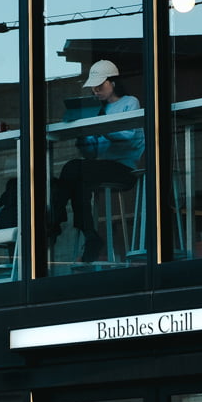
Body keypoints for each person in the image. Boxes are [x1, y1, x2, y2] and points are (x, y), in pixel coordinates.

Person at [49, 60, 145, 263]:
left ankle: (54, 222)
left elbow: (128, 135)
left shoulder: (130, 102)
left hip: (124, 167)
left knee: (73, 170)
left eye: (100, 86)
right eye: (93, 88)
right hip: (100, 167)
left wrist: (101, 128)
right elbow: (91, 154)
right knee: (78, 182)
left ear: (113, 83)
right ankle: (89, 234)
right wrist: (83, 136)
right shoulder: (97, 110)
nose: (96, 91)